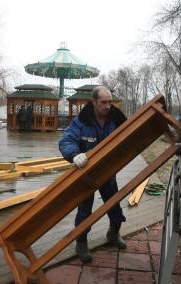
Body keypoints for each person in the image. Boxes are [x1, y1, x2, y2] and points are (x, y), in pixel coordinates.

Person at [59, 86, 127, 263]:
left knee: (114, 206)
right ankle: (81, 242)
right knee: (84, 211)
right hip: (86, 174)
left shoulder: (117, 120)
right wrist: (74, 155)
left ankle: (113, 233)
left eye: (110, 102)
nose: (108, 106)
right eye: (103, 102)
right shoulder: (81, 121)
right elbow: (67, 141)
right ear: (94, 102)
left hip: (108, 172)